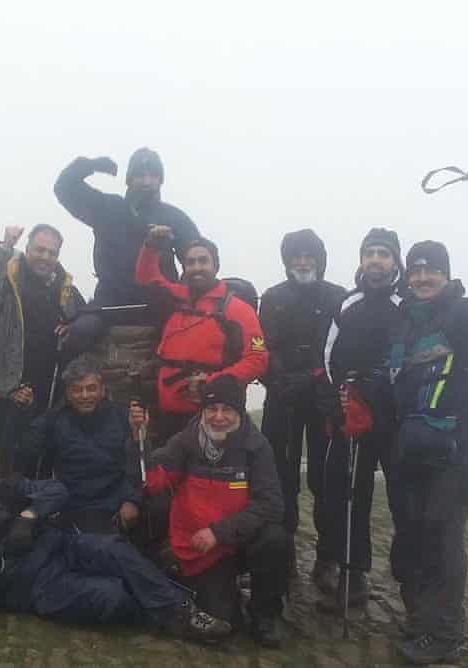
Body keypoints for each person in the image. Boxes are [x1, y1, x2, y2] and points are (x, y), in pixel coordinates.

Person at [0, 450, 231, 643]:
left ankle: (185, 614)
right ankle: (168, 614)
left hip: (61, 545)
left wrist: (29, 516)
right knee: (110, 594)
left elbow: (58, 490)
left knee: (113, 549)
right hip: (34, 585)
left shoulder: (3, 487)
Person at [387, 242, 468, 664]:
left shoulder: (462, 312)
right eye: (415, 271)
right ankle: (423, 618)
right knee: (416, 537)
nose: (422, 278)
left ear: (445, 274)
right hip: (413, 447)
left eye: (431, 271)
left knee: (443, 539)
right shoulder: (406, 320)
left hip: (458, 450)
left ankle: (445, 634)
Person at [144, 375, 288, 648]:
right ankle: (221, 593)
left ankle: (264, 614)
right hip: (206, 548)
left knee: (276, 539)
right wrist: (140, 440)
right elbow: (157, 471)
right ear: (203, 411)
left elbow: (271, 506)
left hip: (239, 540)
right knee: (222, 622)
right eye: (212, 409)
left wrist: (219, 533)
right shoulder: (187, 440)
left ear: (240, 412)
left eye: (228, 410)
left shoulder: (257, 446)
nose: (218, 417)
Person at [317, 228, 404, 607]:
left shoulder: (408, 303)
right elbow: (328, 356)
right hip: (352, 412)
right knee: (348, 495)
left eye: (384, 254)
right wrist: (338, 400)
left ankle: (413, 583)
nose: (376, 260)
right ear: (361, 259)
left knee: (406, 500)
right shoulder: (347, 303)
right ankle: (352, 575)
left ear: (395, 261)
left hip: (398, 417)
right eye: (370, 253)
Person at [259, 229, 347, 574]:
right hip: (282, 400)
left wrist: (313, 379)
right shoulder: (272, 297)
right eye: (296, 256)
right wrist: (280, 380)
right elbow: (263, 345)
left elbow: (341, 349)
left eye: (309, 255)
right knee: (280, 478)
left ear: (320, 259)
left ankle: (328, 556)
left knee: (326, 480)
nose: (303, 262)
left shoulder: (339, 297)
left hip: (324, 401)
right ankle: (283, 550)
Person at [54, 148, 199, 354]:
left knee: (191, 335)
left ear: (160, 180)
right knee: (80, 333)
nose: (147, 181)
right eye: (140, 175)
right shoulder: (107, 208)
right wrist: (90, 165)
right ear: (129, 180)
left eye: (153, 175)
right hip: (110, 302)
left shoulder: (174, 217)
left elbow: (199, 255)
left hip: (160, 304)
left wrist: (184, 293)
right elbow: (64, 188)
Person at [135, 227, 269, 441]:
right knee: (166, 471)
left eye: (203, 261)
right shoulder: (175, 297)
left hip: (214, 415)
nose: (197, 268)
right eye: (190, 262)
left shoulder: (237, 309)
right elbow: (146, 279)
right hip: (167, 414)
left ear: (215, 266)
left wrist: (214, 382)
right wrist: (150, 246)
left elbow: (258, 359)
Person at [0, 224, 85, 477]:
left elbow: (85, 318)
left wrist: (74, 326)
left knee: (47, 464)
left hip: (53, 394)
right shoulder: (9, 280)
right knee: (12, 467)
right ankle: (7, 513)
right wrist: (5, 246)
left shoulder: (66, 288)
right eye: (39, 250)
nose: (45, 257)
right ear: (26, 248)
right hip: (13, 394)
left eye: (52, 252)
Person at [22, 356, 143, 533]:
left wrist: (133, 500)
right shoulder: (55, 419)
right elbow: (27, 449)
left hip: (114, 505)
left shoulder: (122, 417)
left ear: (102, 390)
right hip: (71, 505)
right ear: (68, 393)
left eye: (91, 388)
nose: (85, 396)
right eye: (77, 390)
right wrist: (27, 411)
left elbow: (139, 464)